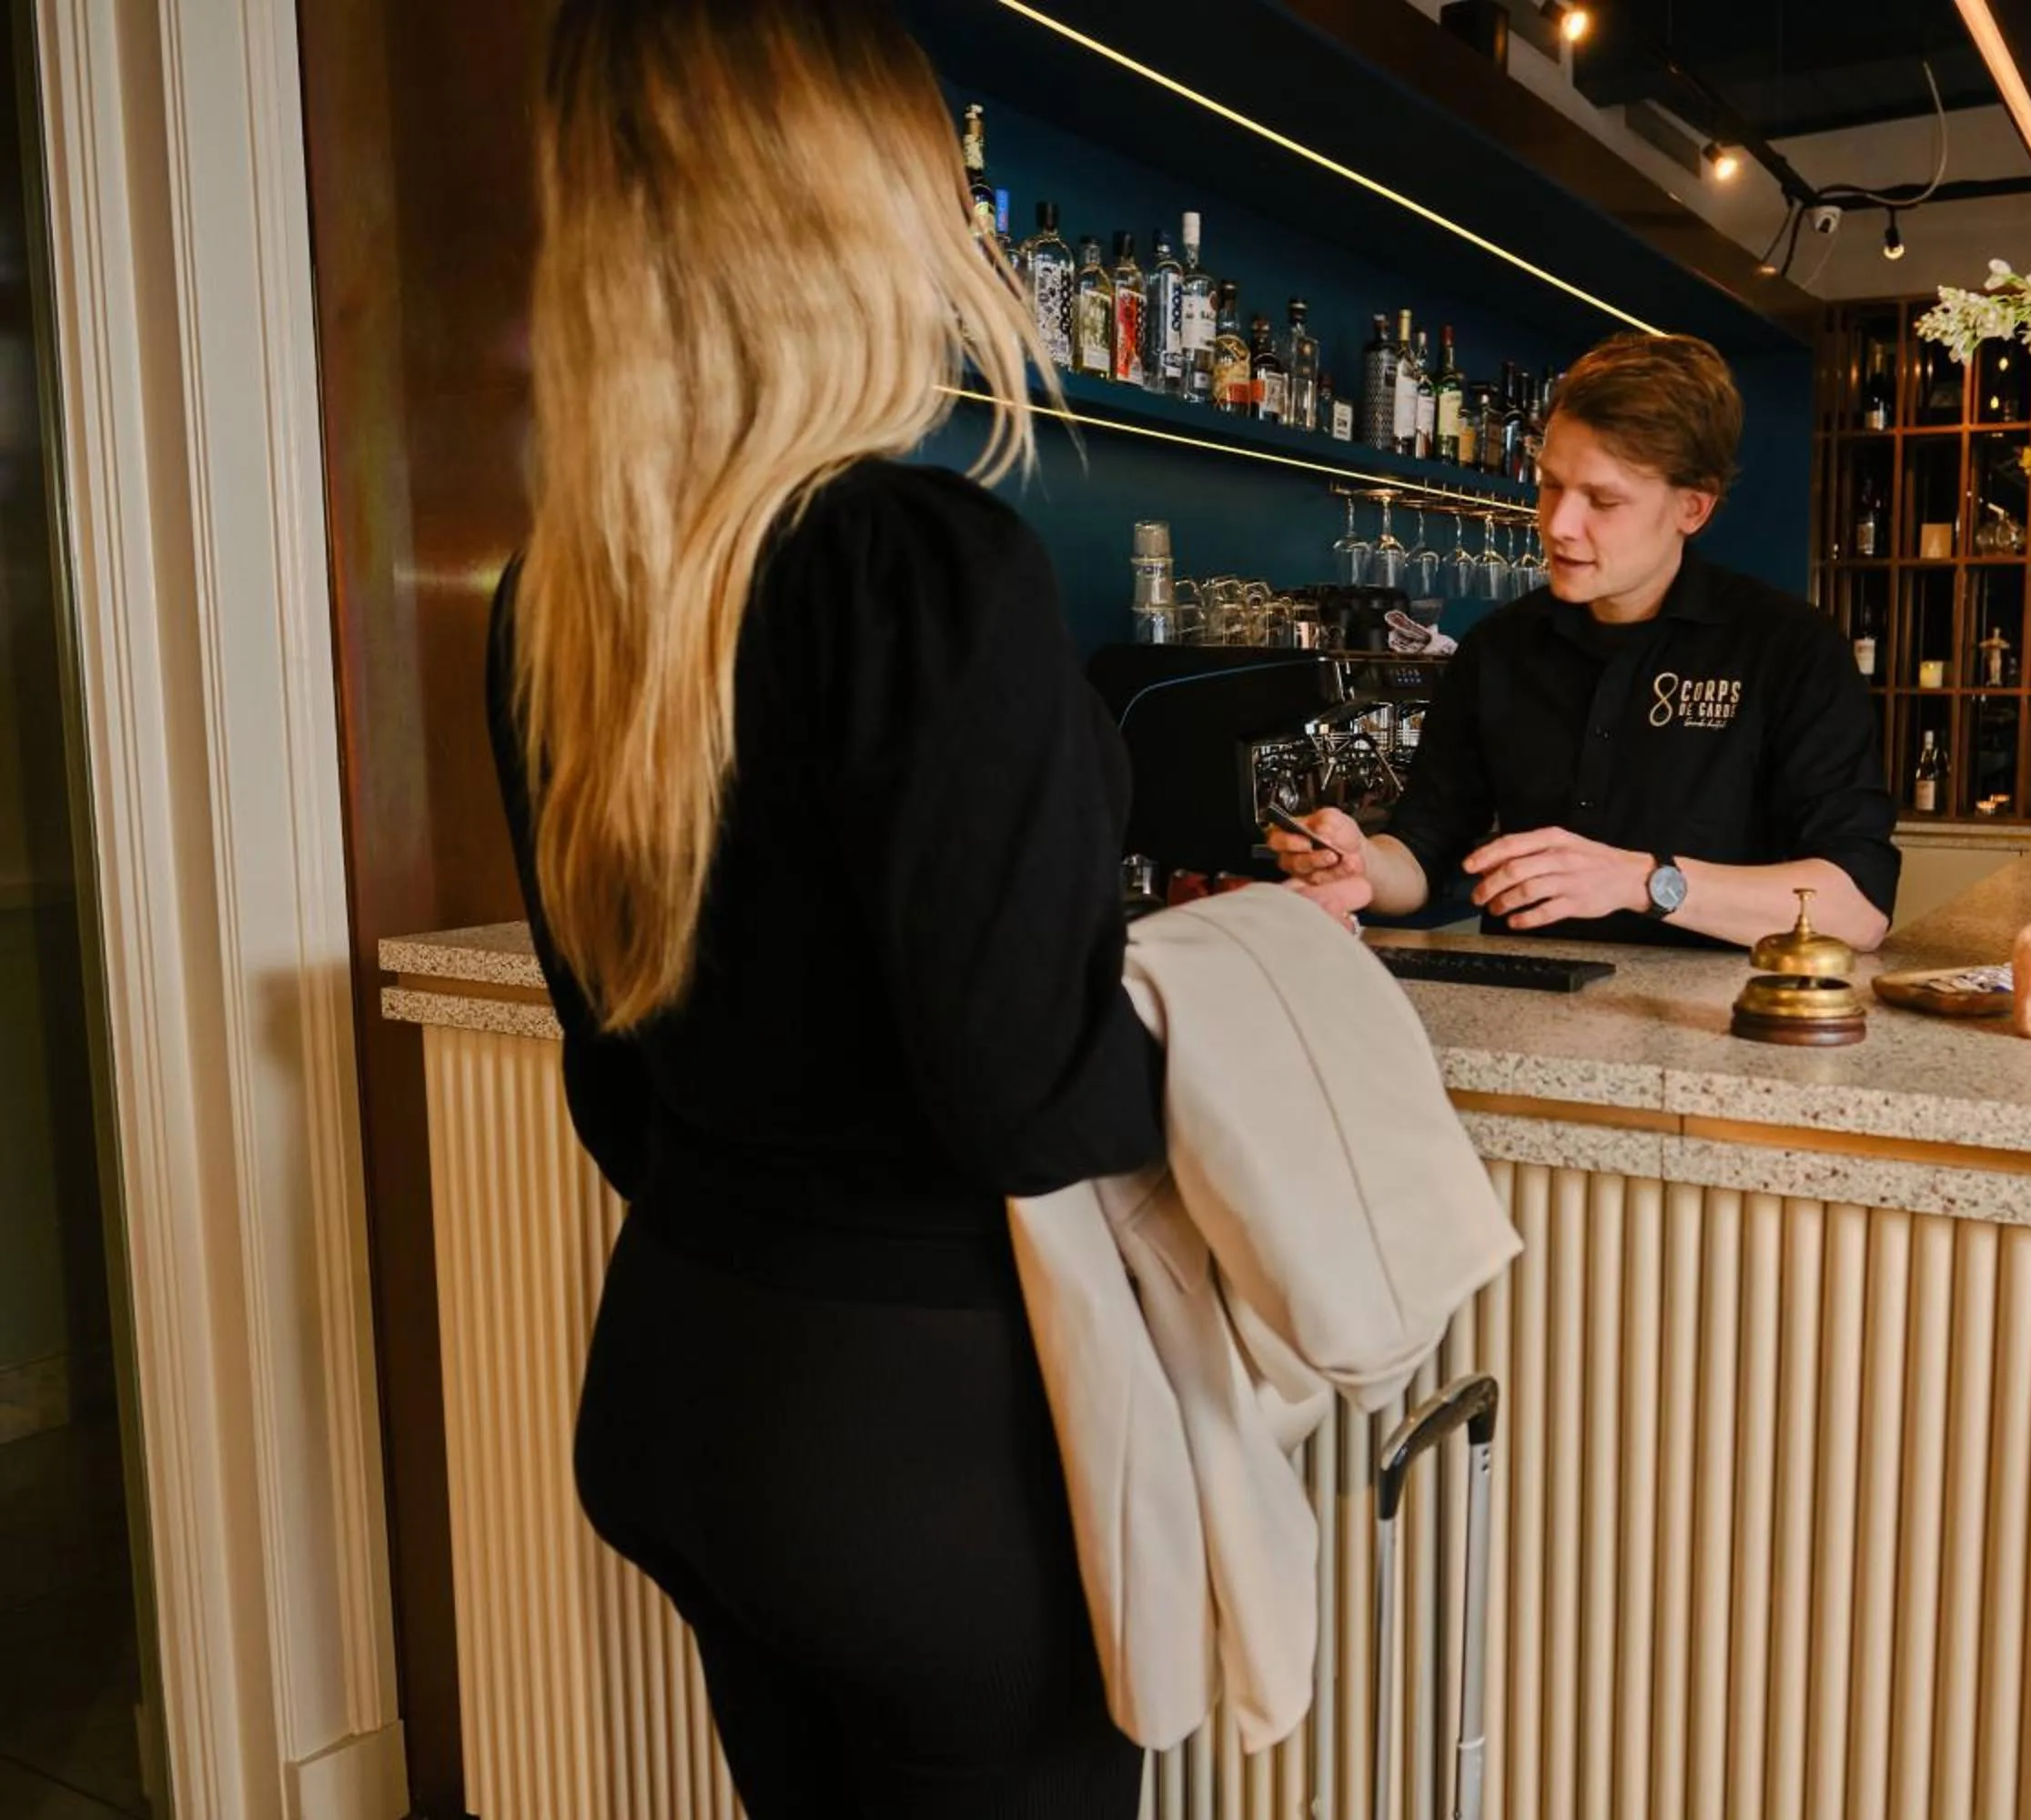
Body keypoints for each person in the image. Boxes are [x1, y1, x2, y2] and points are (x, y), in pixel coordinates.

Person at [484, 3, 1159, 1813]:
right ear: (860, 200)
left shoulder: (563, 601)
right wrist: (1230, 1006)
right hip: (918, 1457)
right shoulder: (926, 571)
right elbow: (1031, 1097)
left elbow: (615, 1070)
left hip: (682, 1377)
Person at [1270, 333, 1899, 949]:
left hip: (1723, 1030)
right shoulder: (1500, 648)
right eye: (1550, 486)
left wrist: (1645, 881)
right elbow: (1424, 849)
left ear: (1693, 509)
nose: (1560, 525)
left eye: (1603, 499)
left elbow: (1858, 907)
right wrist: (1359, 863)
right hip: (1532, 1018)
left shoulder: (1789, 648)